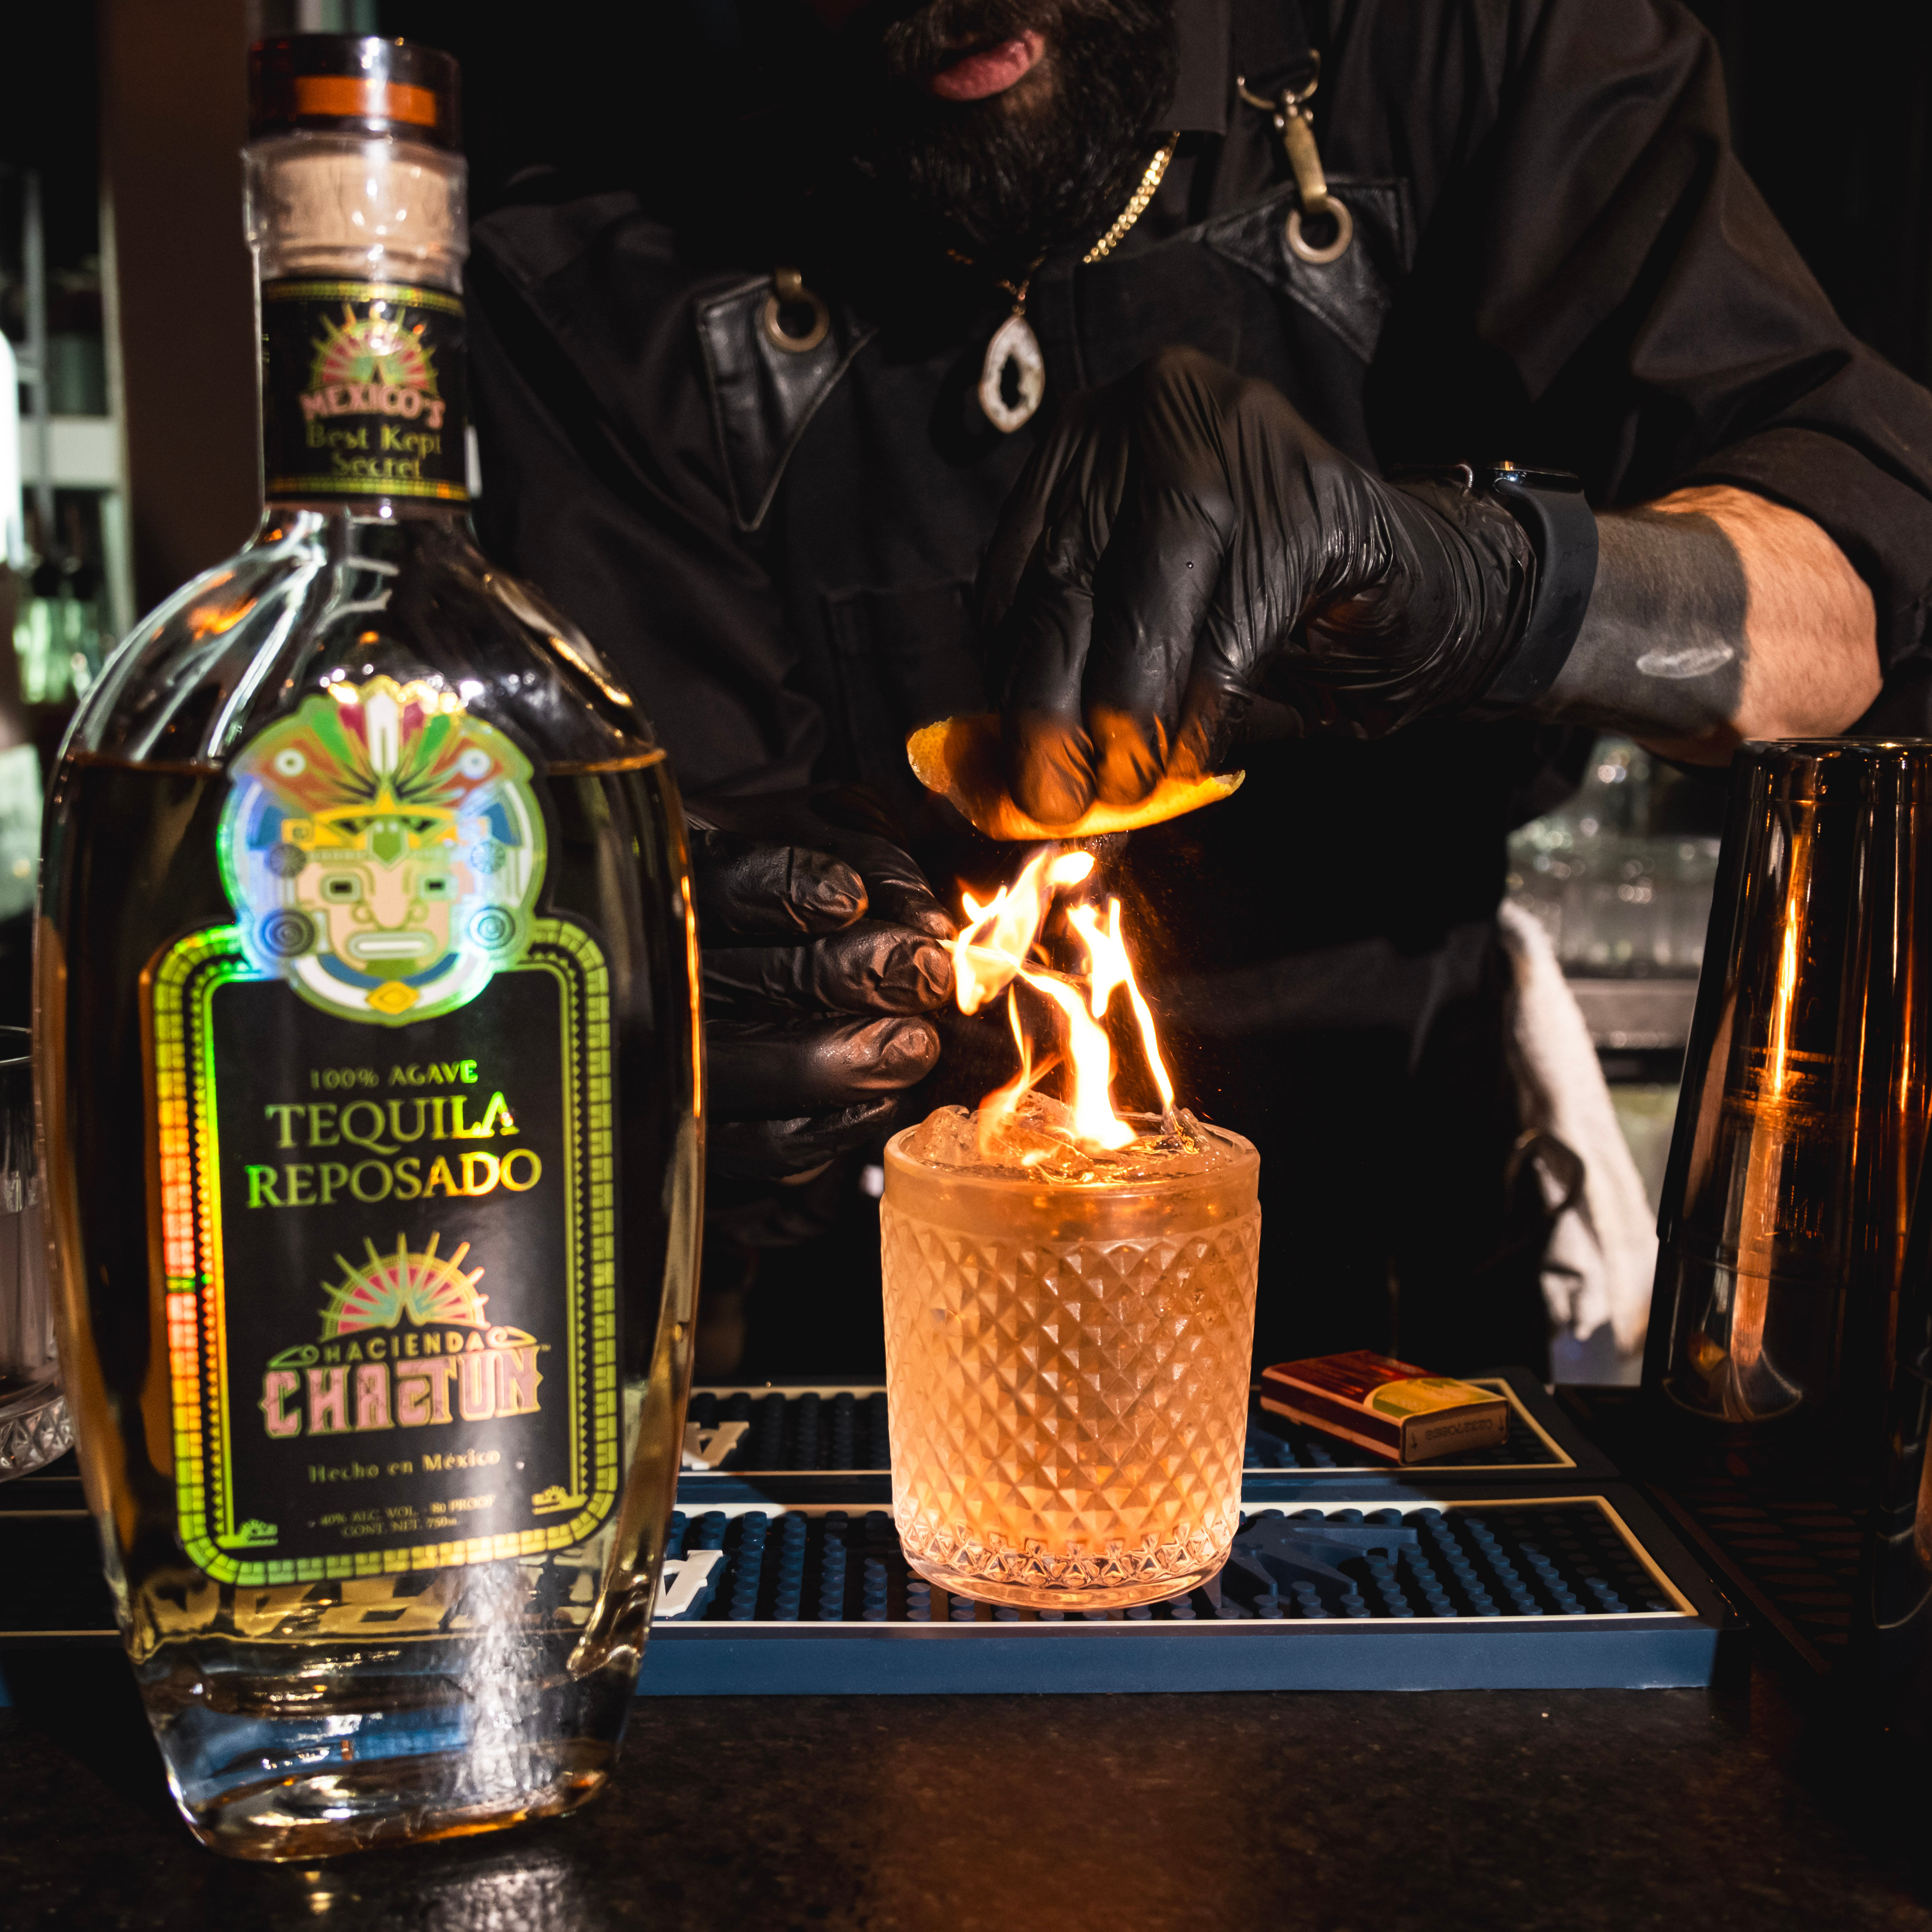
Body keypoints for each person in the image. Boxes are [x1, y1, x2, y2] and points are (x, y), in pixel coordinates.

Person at [465, 0, 1930, 1375]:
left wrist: (1471, 579)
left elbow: (1841, 619)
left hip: (1413, 1314)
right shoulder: (605, 223)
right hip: (895, 1368)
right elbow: (627, 910)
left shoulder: (1471, 41)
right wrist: (686, 1026)